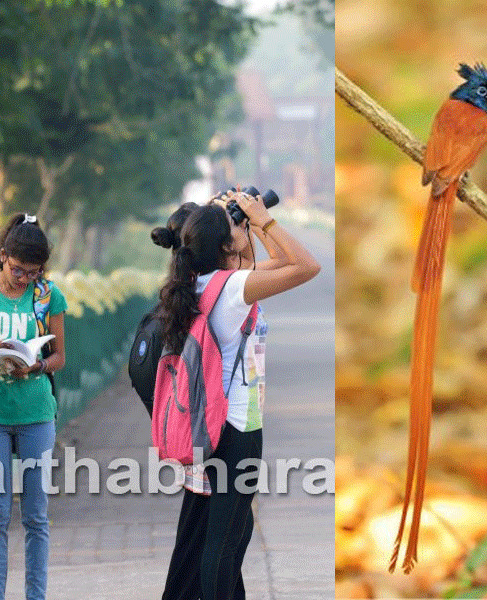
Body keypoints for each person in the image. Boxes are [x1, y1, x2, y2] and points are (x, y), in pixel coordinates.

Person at [158, 192, 320, 599]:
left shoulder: (200, 283)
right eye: (232, 226)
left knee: (231, 531)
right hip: (236, 427)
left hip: (210, 425)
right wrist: (262, 221)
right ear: (225, 247)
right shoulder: (231, 289)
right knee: (224, 543)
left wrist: (236, 228)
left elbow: (283, 264)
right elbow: (307, 265)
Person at [0, 213, 67, 600]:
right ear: (2, 256)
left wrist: (36, 364)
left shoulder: (48, 295)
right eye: (19, 270)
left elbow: (59, 357)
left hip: (36, 412)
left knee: (36, 515)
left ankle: (35, 595)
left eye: (33, 273)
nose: (24, 279)